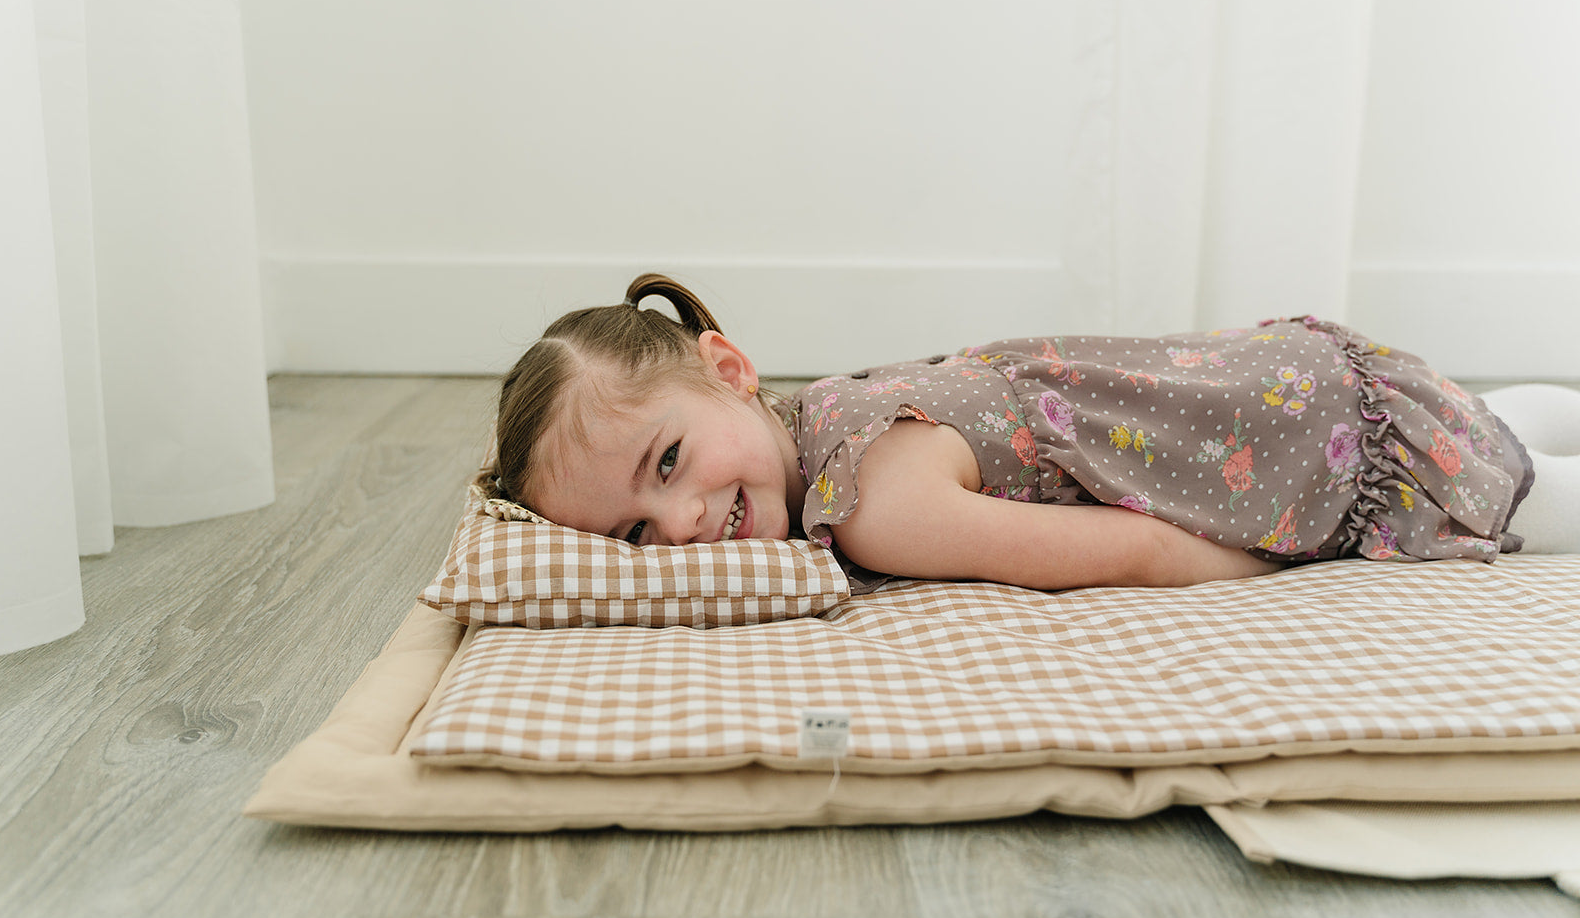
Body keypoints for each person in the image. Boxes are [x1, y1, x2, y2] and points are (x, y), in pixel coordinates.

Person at [483, 273, 1580, 590]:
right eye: (632, 533)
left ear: (729, 371)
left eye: (668, 461)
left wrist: (1298, 561)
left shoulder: (875, 506)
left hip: (1319, 444)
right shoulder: (822, 413)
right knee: (1500, 427)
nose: (680, 523)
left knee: (1536, 498)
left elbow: (1138, 551)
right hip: (1286, 374)